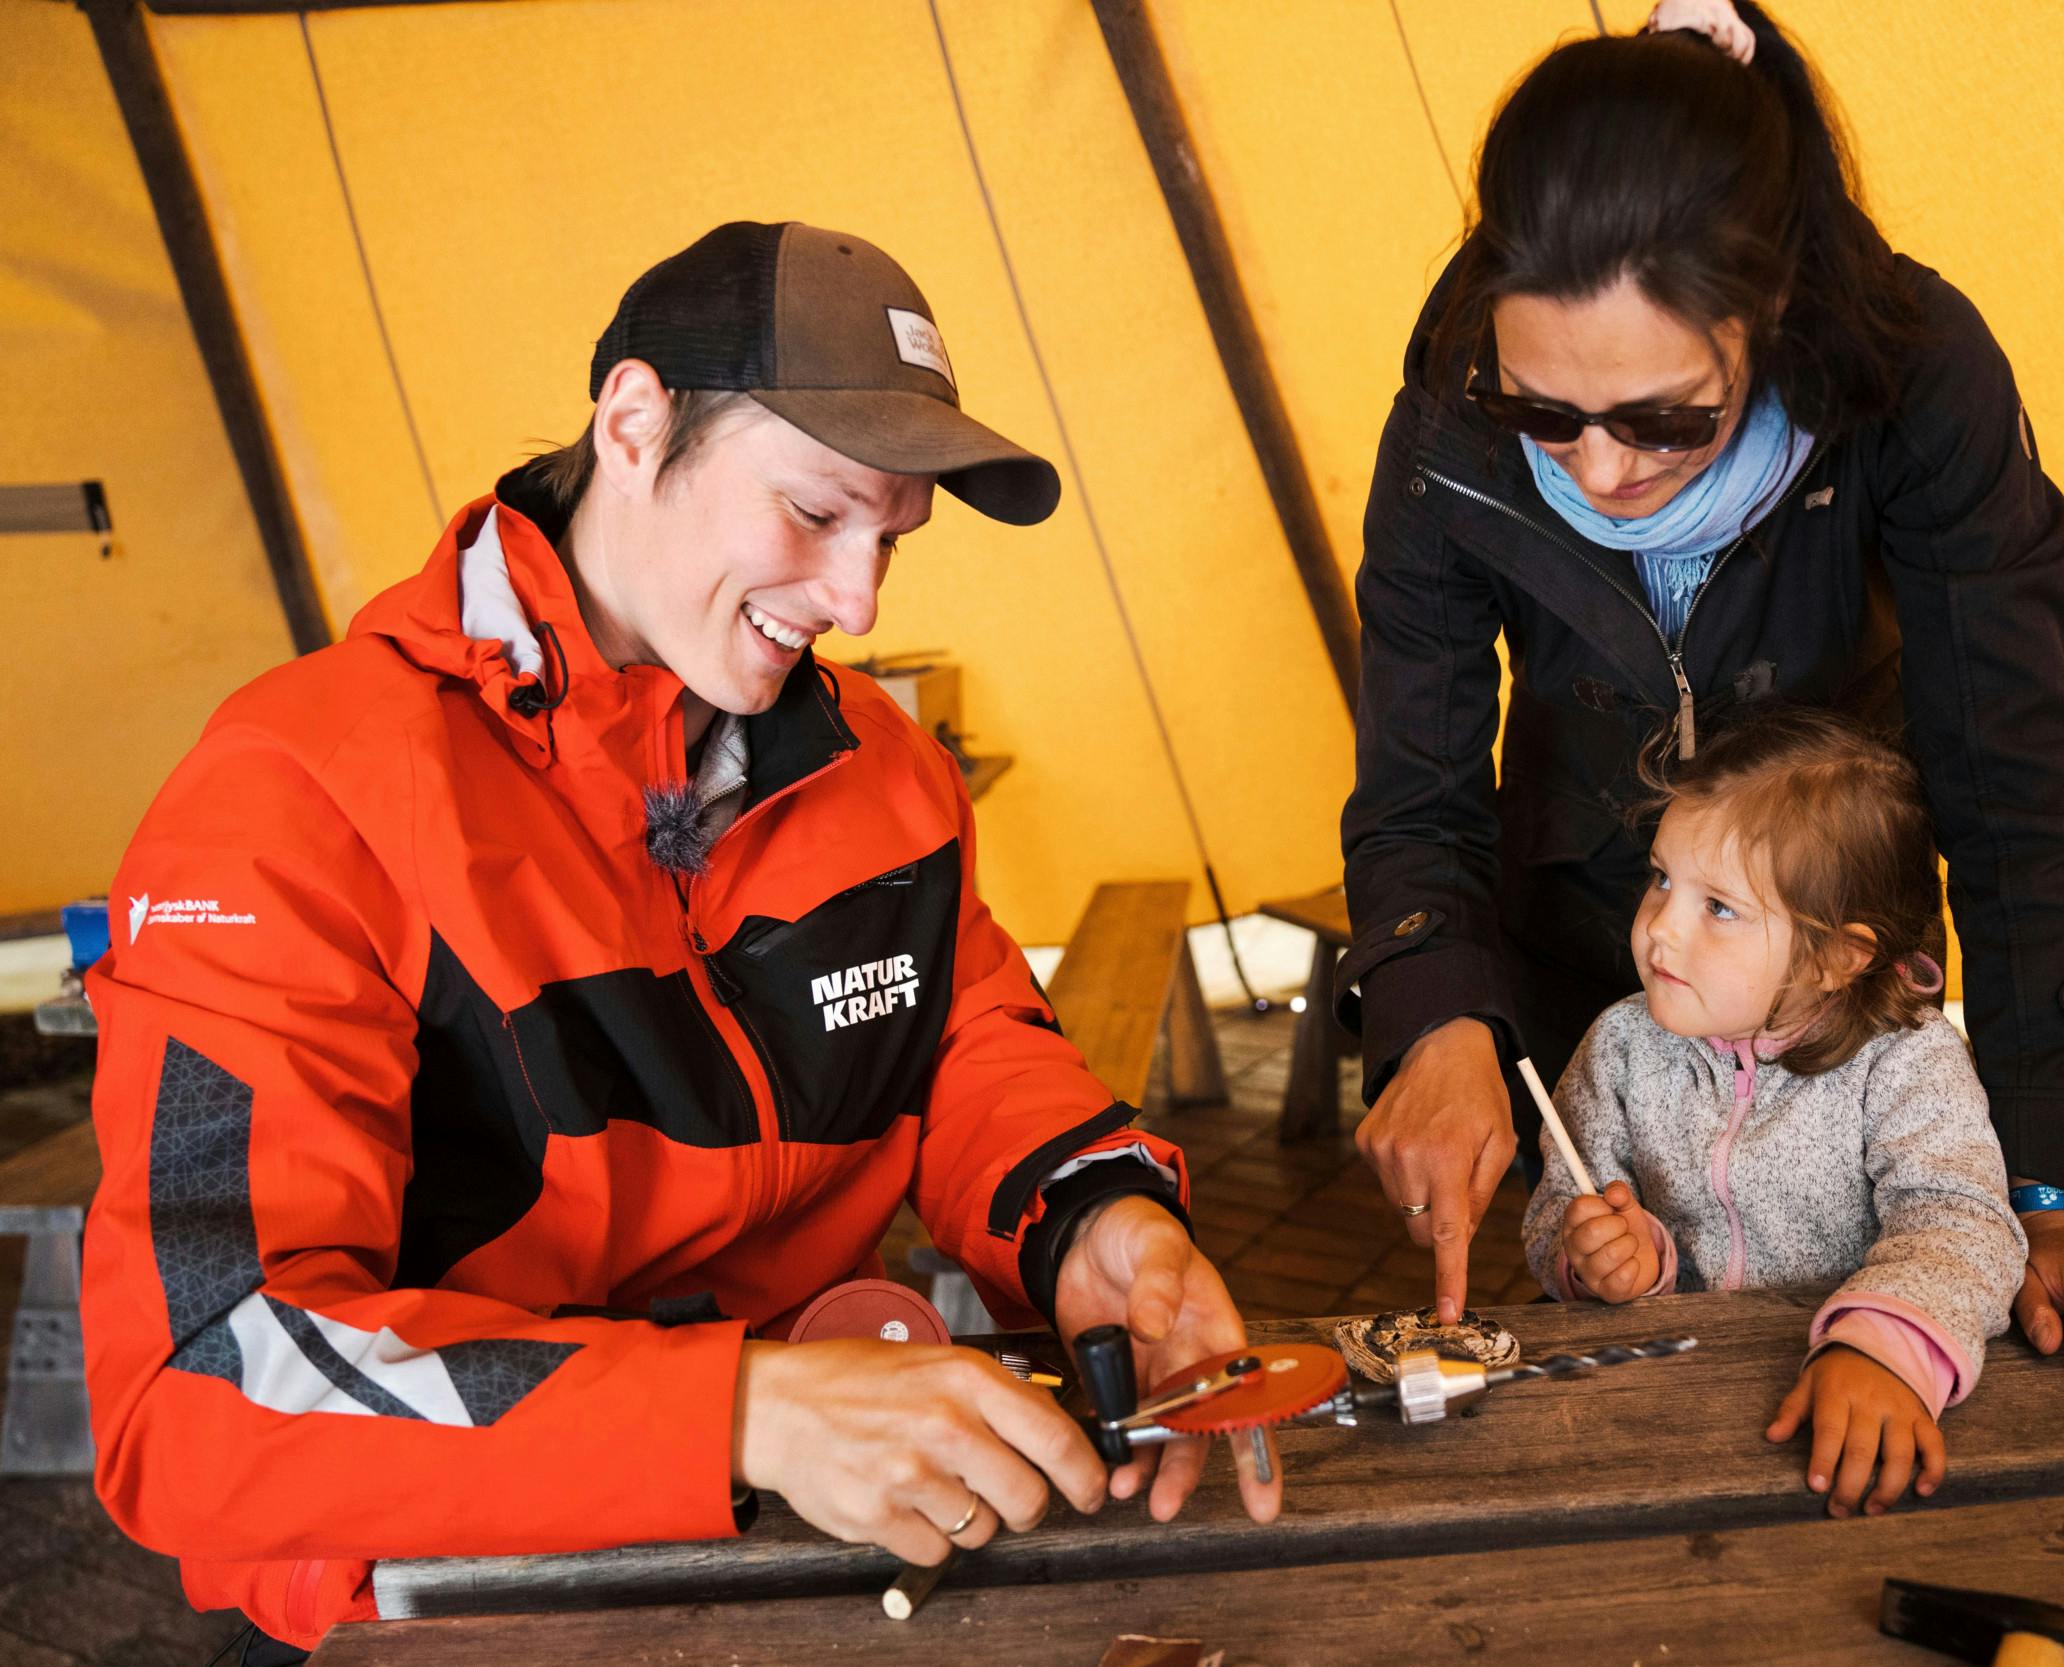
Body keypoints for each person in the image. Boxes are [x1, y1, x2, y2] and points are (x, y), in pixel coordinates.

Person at [82, 222, 1276, 1659]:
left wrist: (1099, 1218)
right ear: (636, 422)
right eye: (815, 513)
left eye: (891, 539)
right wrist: (738, 1408)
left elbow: (966, 1041)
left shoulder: (882, 769)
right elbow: (198, 1383)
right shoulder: (296, 790)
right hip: (431, 1594)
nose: (857, 600)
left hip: (808, 1538)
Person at [1338, 0, 2064, 1415]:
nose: (1599, 469)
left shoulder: (1915, 379)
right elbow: (1416, 788)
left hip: (1844, 986)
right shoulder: (1445, 429)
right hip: (1590, 976)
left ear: (1768, 310)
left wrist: (2061, 1193)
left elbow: (2010, 796)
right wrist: (1439, 1018)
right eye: (1545, 415)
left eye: (1662, 419)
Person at [1521, 706, 2026, 1518]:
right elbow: (1557, 1206)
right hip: (1657, 1429)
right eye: (1660, 879)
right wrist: (1602, 1256)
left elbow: (1964, 1221)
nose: (1660, 931)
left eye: (1718, 906)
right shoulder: (1618, 1044)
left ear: (1836, 956)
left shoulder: (1907, 1060)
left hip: (1850, 1431)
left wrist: (1885, 1348)